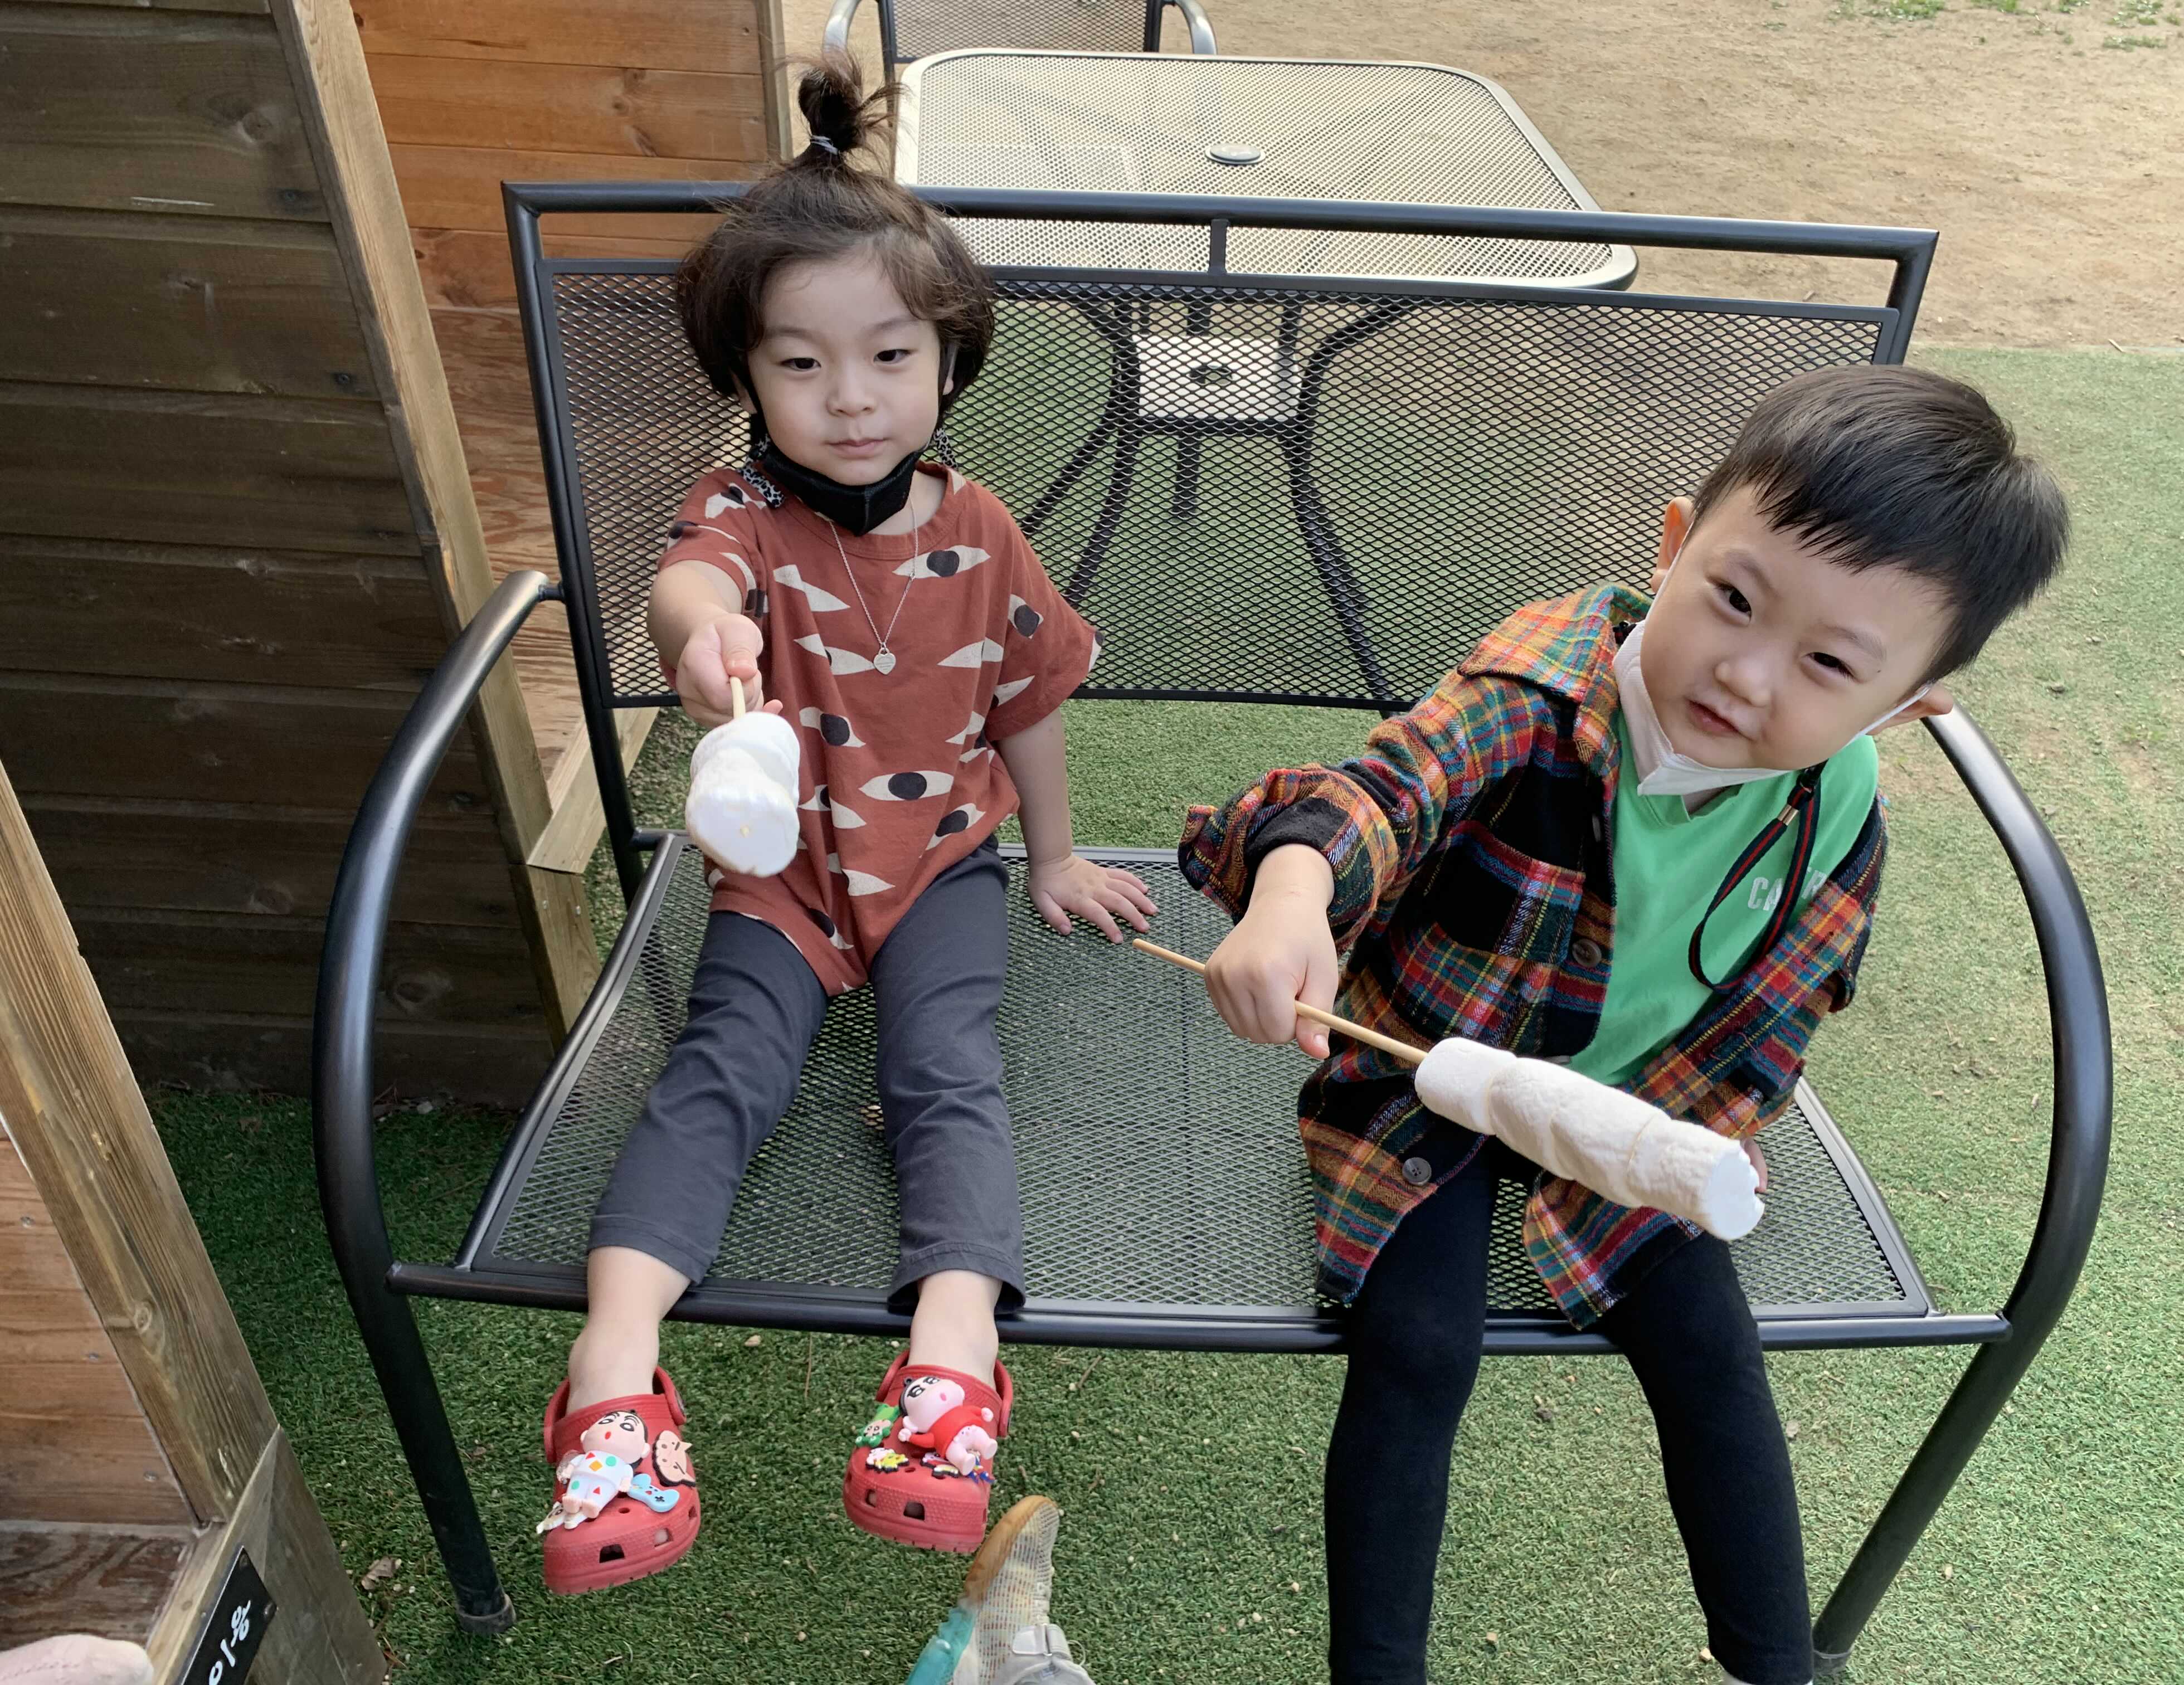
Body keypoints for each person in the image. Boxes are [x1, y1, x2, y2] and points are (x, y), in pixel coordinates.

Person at [1179, 365, 2068, 1685]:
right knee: (1420, 1347)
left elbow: (1784, 1002)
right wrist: (1296, 890)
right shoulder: (1536, 694)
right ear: (1674, 545)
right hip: (1426, 1082)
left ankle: (1777, 1667)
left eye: (1828, 664)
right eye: (1734, 599)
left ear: (1904, 706)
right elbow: (1380, 793)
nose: (1747, 673)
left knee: (1712, 1347)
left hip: (1634, 1114)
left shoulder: (1834, 806)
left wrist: (1705, 1137)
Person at [539, 52, 1155, 1596]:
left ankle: (952, 1366)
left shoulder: (982, 527)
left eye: (889, 354)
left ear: (948, 359)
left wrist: (1055, 855)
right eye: (802, 364)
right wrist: (701, 639)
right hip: (785, 881)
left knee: (945, 1073)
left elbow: (1028, 700)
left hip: (944, 863)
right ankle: (611, 1380)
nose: (852, 396)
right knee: (718, 1077)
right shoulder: (739, 515)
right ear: (748, 379)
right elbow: (692, 582)